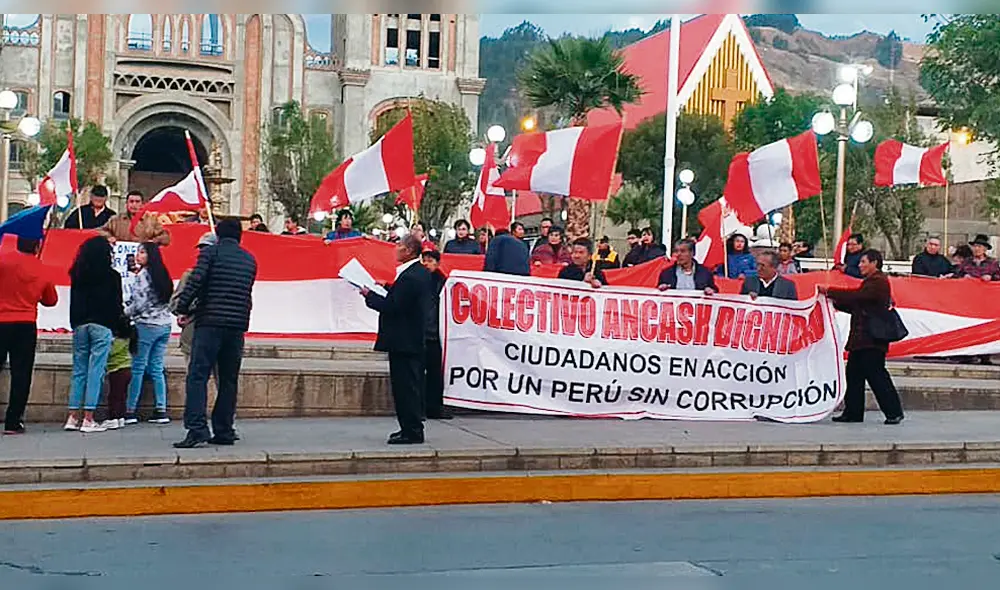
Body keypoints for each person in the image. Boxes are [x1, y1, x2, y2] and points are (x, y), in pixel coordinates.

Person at [173, 218, 258, 448]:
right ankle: (224, 429)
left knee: (198, 376)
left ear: (218, 236)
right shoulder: (249, 260)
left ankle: (197, 428)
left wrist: (182, 307)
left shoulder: (211, 254)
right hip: (237, 327)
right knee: (229, 379)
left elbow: (196, 281)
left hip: (210, 323)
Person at [362, 235, 433, 444]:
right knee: (405, 387)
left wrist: (369, 295)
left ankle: (412, 431)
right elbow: (399, 298)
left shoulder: (411, 276)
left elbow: (394, 306)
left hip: (405, 341)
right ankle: (407, 427)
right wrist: (385, 289)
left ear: (409, 251)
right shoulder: (416, 273)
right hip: (408, 340)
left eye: (399, 246)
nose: (396, 249)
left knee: (406, 389)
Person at [819, 249, 904, 424]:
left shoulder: (878, 281)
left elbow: (858, 297)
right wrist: (833, 303)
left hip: (872, 339)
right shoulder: (869, 282)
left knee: (876, 375)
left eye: (863, 262)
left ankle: (893, 411)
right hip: (861, 339)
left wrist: (830, 291)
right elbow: (858, 305)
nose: (860, 265)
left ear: (874, 263)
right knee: (854, 375)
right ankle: (853, 413)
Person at [0, 237, 58, 434]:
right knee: (21, 373)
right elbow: (51, 300)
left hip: (1, 321)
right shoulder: (41, 268)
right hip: (25, 324)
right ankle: (13, 421)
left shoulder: (3, 260)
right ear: (37, 245)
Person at [65, 236, 123, 433]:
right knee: (96, 371)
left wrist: (74, 323)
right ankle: (89, 418)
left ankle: (72, 416)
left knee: (79, 371)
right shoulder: (112, 276)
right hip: (102, 325)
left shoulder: (77, 274)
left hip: (80, 324)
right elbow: (117, 306)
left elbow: (73, 302)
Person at [124, 242, 174, 426]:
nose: (138, 255)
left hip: (146, 325)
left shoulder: (142, 276)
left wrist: (125, 313)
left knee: (138, 367)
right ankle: (161, 408)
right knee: (156, 367)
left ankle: (130, 409)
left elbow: (139, 304)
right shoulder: (163, 275)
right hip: (164, 324)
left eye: (142, 252)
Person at [420, 249, 451, 420]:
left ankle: (434, 407)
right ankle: (420, 407)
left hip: (435, 334)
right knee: (418, 374)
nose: (426, 263)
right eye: (424, 260)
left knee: (434, 375)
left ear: (437, 263)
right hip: (421, 333)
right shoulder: (419, 279)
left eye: (430, 260)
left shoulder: (443, 283)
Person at [99, 190, 170, 245]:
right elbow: (101, 231)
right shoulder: (115, 220)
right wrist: (109, 237)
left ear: (142, 204)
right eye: (131, 201)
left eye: (137, 202)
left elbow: (165, 237)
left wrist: (152, 242)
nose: (134, 204)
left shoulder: (151, 221)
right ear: (126, 204)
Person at [102, 317, 134, 430]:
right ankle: (121, 416)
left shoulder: (118, 341)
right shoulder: (128, 339)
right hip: (127, 368)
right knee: (122, 394)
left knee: (114, 395)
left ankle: (113, 418)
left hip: (117, 369)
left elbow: (112, 353)